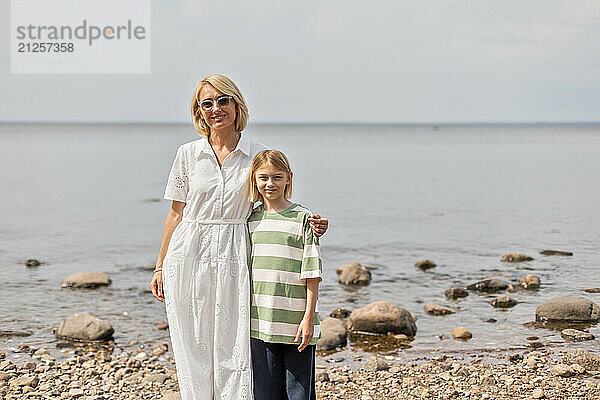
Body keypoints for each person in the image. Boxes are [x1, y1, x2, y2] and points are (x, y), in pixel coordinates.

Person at [149, 74, 328, 400]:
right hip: (188, 251)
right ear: (198, 111)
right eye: (207, 103)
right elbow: (176, 213)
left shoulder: (257, 153)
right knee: (193, 340)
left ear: (236, 104)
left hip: (235, 251)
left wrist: (309, 222)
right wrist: (160, 265)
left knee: (235, 344)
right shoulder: (187, 154)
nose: (216, 108)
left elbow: (274, 200)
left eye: (223, 100)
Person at [247, 150, 322, 400]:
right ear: (254, 180)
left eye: (277, 177)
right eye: (264, 178)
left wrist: (308, 318)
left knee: (298, 394)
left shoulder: (303, 219)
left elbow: (312, 273)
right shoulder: (248, 220)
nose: (270, 184)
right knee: (265, 394)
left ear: (289, 178)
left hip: (295, 323)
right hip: (259, 323)